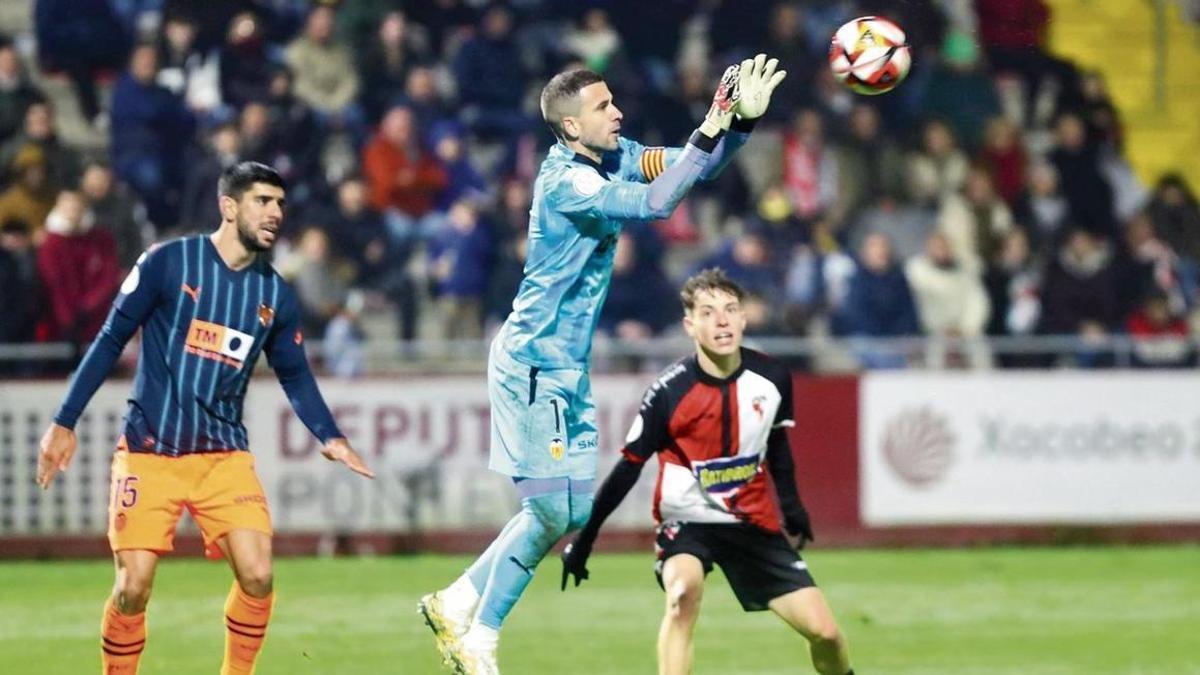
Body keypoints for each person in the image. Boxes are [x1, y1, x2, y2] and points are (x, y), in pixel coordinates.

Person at [419, 54, 787, 674]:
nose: (617, 112)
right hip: (533, 360)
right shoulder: (569, 182)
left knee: (571, 510)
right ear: (569, 127)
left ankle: (454, 600)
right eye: (602, 107)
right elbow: (657, 205)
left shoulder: (611, 155)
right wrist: (710, 125)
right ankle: (478, 636)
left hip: (567, 364)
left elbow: (684, 168)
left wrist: (736, 125)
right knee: (552, 511)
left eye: (613, 101)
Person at [35, 162, 374, 675]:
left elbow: (296, 375)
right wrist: (64, 422)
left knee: (259, 575)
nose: (276, 213)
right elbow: (109, 339)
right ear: (229, 206)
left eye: (280, 203)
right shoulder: (168, 263)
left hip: (223, 457)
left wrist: (331, 435)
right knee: (133, 586)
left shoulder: (274, 295)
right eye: (263, 201)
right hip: (150, 452)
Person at [560, 269, 854, 675]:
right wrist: (585, 539)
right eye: (709, 312)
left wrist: (792, 507)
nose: (722, 321)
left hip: (751, 523)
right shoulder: (667, 392)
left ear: (744, 319)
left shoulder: (773, 378)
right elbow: (628, 469)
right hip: (687, 521)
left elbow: (778, 447)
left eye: (731, 310)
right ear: (690, 325)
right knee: (683, 595)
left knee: (827, 635)